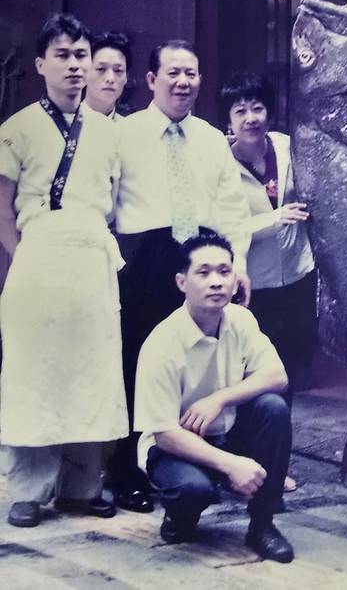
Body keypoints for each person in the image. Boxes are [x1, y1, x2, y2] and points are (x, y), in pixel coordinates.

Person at [108, 40, 252, 513]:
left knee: (203, 364)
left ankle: (206, 463)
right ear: (151, 80)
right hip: (144, 259)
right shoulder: (122, 134)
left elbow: (233, 207)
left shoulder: (212, 138)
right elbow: (103, 201)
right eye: (173, 73)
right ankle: (127, 471)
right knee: (136, 364)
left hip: (204, 257)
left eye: (191, 73)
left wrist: (238, 267)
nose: (183, 82)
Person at [0, 14, 128, 528]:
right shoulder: (18, 128)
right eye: (63, 56)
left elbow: (114, 202)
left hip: (92, 258)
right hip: (38, 253)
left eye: (81, 56)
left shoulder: (108, 131)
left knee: (91, 372)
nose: (75, 65)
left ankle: (82, 485)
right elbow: (2, 208)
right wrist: (24, 257)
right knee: (35, 374)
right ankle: (29, 488)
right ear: (40, 64)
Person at [134, 232, 294, 562]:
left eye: (224, 271)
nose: (216, 282)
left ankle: (262, 526)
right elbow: (163, 433)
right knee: (193, 490)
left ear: (236, 279)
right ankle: (180, 518)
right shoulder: (162, 342)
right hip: (175, 447)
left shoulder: (241, 319)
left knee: (273, 408)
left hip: (226, 431)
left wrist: (219, 398)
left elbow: (277, 377)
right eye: (203, 273)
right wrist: (230, 464)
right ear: (182, 282)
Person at [220, 71, 316, 494]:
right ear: (228, 119)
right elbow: (226, 224)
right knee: (245, 374)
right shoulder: (221, 162)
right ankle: (239, 461)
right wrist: (273, 219)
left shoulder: (287, 146)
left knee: (286, 372)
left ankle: (276, 464)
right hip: (252, 285)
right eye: (240, 110)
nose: (250, 117)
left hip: (297, 276)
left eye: (257, 107)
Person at [84, 31, 132, 119]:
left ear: (126, 78)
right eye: (101, 69)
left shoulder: (130, 129)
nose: (110, 79)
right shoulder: (67, 123)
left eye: (118, 70)